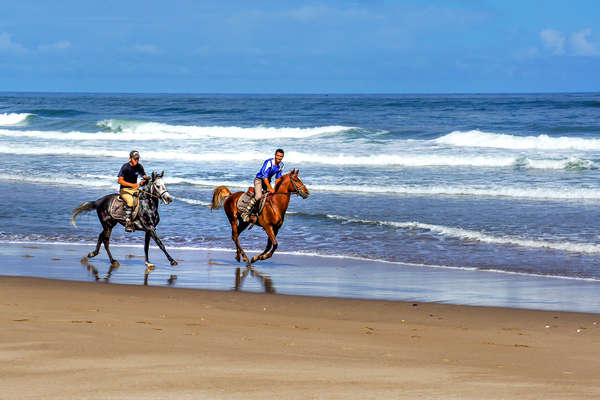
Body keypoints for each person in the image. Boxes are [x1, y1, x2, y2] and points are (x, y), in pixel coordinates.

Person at [241, 149, 285, 222]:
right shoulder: (269, 162)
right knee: (258, 196)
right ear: (275, 155)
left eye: (281, 156)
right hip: (259, 180)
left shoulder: (281, 165)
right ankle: (245, 213)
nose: (279, 158)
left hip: (268, 181)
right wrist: (270, 188)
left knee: (272, 197)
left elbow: (278, 179)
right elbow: (265, 178)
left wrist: (276, 189)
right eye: (277, 156)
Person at [118, 150, 148, 232]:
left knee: (144, 200)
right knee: (130, 202)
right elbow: (120, 181)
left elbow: (144, 176)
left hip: (135, 189)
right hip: (124, 189)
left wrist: (144, 181)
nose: (137, 160)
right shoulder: (125, 167)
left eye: (138, 159)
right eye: (135, 159)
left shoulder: (139, 166)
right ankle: (128, 223)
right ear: (130, 158)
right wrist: (132, 185)